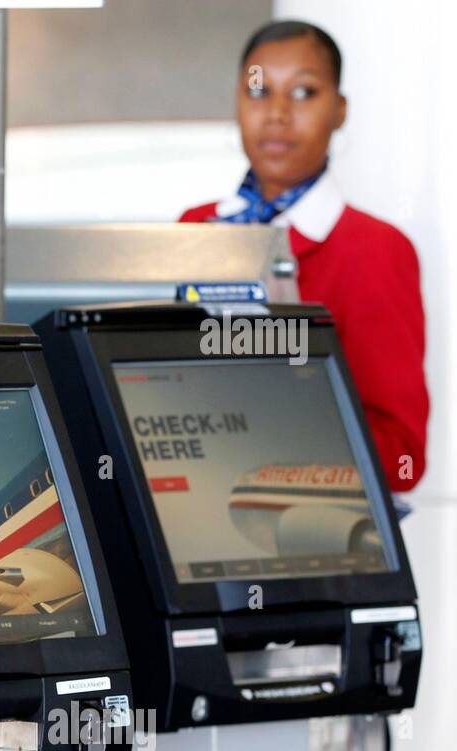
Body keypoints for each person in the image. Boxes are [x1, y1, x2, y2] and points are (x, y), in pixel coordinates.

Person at [180, 20, 428, 492]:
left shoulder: (376, 249)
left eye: (303, 93)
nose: (275, 113)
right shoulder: (196, 228)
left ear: (339, 111)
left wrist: (258, 434)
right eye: (258, 91)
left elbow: (403, 456)